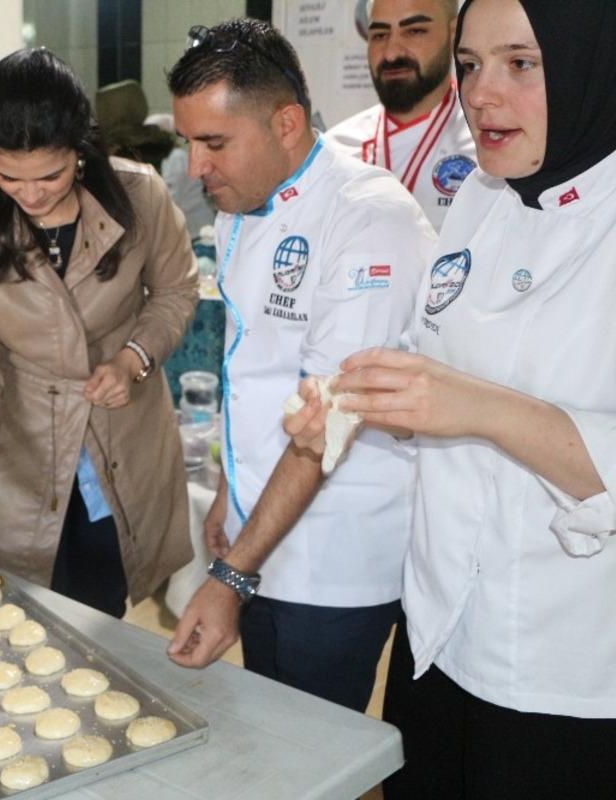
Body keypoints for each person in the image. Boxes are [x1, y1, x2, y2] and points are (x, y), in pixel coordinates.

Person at [287, 0, 616, 794]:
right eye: (469, 65)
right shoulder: (480, 197)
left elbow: (472, 399)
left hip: (562, 668)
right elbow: (437, 361)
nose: (482, 93)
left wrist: (475, 407)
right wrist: (359, 396)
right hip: (437, 631)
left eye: (521, 63)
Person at [165, 19, 436, 713]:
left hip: (334, 558)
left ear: (286, 123)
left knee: (311, 749)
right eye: (188, 143)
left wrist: (229, 578)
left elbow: (327, 422)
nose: (197, 168)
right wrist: (231, 484)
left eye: (214, 143)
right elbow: (250, 367)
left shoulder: (368, 219)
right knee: (267, 733)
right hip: (263, 529)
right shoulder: (241, 208)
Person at [0, 49, 198, 618]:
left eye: (50, 175)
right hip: (23, 443)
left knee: (104, 608)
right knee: (21, 611)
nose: (31, 194)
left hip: (122, 434)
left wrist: (134, 358)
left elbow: (176, 293)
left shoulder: (141, 196)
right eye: (8, 177)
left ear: (81, 150)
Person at [326, 0, 476, 231]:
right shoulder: (334, 150)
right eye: (379, 34)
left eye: (414, 31)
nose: (392, 53)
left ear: (455, 34)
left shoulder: (485, 146)